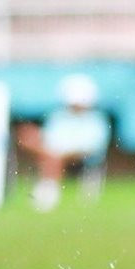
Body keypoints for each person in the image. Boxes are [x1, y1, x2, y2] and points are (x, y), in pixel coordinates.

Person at [15, 73, 111, 212]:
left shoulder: (96, 120)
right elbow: (51, 140)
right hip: (57, 155)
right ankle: (48, 190)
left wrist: (60, 152)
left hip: (84, 160)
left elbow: (92, 148)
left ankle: (48, 192)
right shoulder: (59, 117)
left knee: (52, 158)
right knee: (37, 143)